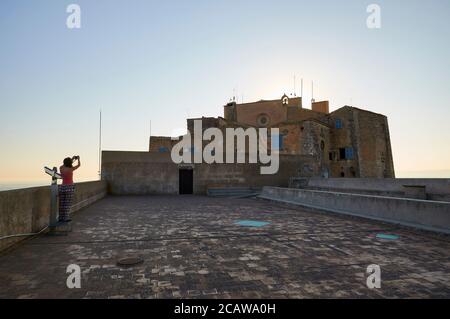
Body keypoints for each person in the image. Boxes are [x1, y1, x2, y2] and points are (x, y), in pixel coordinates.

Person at [58, 156, 81, 223]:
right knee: (67, 204)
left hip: (62, 187)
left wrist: (72, 159)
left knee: (61, 204)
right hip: (69, 187)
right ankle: (65, 218)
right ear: (70, 163)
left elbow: (65, 164)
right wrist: (78, 159)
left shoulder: (61, 168)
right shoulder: (71, 168)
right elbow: (79, 165)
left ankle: (61, 218)